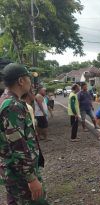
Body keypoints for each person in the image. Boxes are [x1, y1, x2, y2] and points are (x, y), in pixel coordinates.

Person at [0, 63, 49, 204]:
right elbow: (18, 146)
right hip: (20, 175)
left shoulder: (6, 101)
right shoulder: (12, 106)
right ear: (21, 81)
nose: (31, 83)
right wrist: (32, 179)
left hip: (14, 171)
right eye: (29, 78)